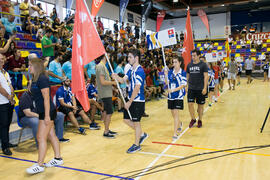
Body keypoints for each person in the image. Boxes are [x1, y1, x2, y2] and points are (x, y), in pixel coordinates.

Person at [26, 58, 63, 174]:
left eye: (30, 66)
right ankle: (58, 158)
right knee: (51, 135)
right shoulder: (35, 78)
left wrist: (47, 116)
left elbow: (47, 98)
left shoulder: (42, 79)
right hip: (44, 111)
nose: (28, 68)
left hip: (48, 112)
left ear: (36, 67)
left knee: (41, 137)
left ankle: (40, 164)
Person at [112, 49, 148, 153]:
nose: (128, 59)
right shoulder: (131, 69)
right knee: (126, 120)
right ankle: (141, 134)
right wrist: (116, 77)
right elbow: (123, 80)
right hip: (131, 99)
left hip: (137, 100)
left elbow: (137, 88)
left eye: (130, 57)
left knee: (136, 123)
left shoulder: (140, 71)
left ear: (136, 58)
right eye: (128, 57)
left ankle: (137, 145)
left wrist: (129, 102)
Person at [164, 56, 187, 139]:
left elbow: (183, 85)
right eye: (173, 62)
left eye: (176, 62)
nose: (174, 64)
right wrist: (165, 75)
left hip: (178, 96)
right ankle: (179, 123)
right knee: (173, 113)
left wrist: (173, 90)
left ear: (180, 63)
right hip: (171, 96)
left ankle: (175, 133)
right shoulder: (170, 72)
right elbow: (167, 83)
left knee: (176, 114)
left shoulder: (183, 72)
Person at [96, 55, 117, 138]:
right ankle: (106, 131)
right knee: (109, 112)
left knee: (105, 112)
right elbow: (103, 82)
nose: (109, 56)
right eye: (108, 55)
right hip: (105, 93)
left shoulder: (103, 66)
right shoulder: (101, 66)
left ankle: (107, 129)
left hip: (107, 92)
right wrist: (113, 83)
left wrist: (113, 88)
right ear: (104, 56)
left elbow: (106, 81)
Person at [186, 50, 208, 128]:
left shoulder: (203, 65)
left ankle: (200, 120)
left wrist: (205, 88)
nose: (193, 57)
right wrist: (186, 86)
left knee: (200, 106)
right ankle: (193, 119)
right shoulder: (189, 65)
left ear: (199, 56)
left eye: (194, 55)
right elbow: (187, 76)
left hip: (200, 88)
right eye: (192, 56)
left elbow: (206, 77)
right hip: (191, 88)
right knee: (190, 104)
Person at [0, 53, 16, 156]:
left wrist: (12, 95)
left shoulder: (5, 72)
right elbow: (0, 88)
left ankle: (7, 142)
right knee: (3, 125)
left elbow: (10, 85)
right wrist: (9, 97)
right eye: (0, 59)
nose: (1, 60)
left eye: (2, 58)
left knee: (8, 123)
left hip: (9, 102)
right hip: (2, 102)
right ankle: (5, 146)